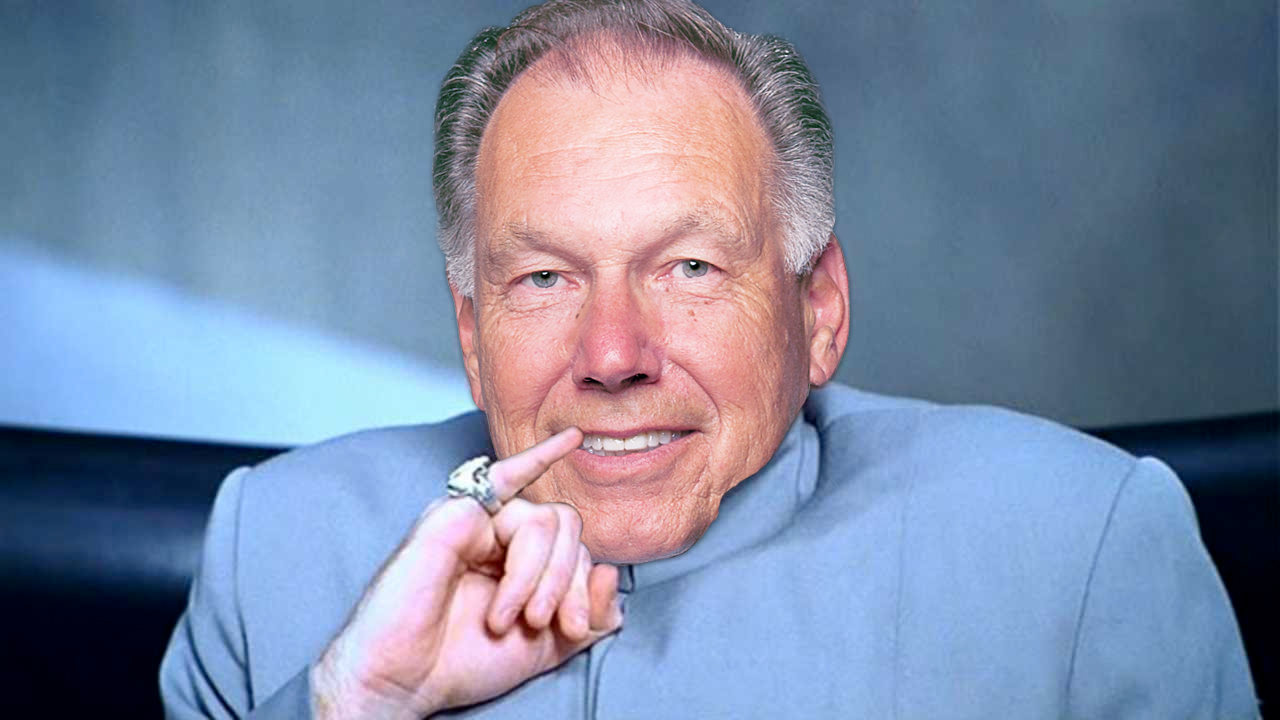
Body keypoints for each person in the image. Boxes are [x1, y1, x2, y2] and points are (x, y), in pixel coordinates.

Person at [160, 1, 1259, 717]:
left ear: (818, 309)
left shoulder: (1077, 553)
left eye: (689, 267)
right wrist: (352, 704)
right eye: (541, 278)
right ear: (470, 335)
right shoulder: (272, 554)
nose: (611, 355)